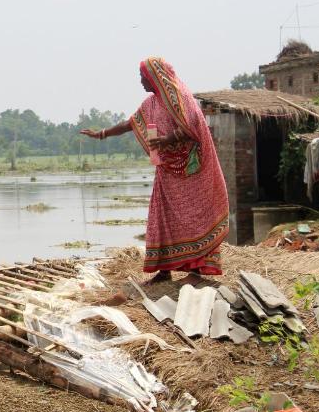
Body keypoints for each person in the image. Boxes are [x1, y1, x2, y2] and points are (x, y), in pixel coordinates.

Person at [80, 57, 229, 283]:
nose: (141, 82)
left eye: (143, 77)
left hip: (192, 171)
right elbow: (130, 124)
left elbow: (193, 127)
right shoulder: (150, 104)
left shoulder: (181, 98)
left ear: (155, 78)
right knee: (162, 218)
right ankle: (165, 269)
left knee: (195, 218)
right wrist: (101, 134)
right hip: (167, 172)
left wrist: (167, 140)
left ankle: (197, 267)